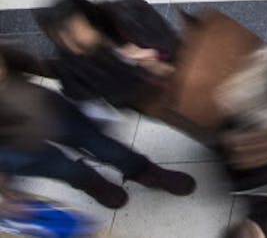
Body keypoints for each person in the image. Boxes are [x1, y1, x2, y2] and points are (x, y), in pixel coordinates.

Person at [0, 46, 196, 210]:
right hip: (13, 149)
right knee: (63, 169)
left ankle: (145, 172)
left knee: (104, 146)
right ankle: (94, 184)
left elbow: (35, 64)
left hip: (52, 112)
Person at [35, 0, 180, 114]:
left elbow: (170, 41)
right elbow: (89, 94)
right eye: (60, 38)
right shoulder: (72, 65)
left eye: (72, 32)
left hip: (177, 73)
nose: (70, 43)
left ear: (88, 18)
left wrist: (155, 60)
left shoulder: (131, 13)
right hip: (150, 101)